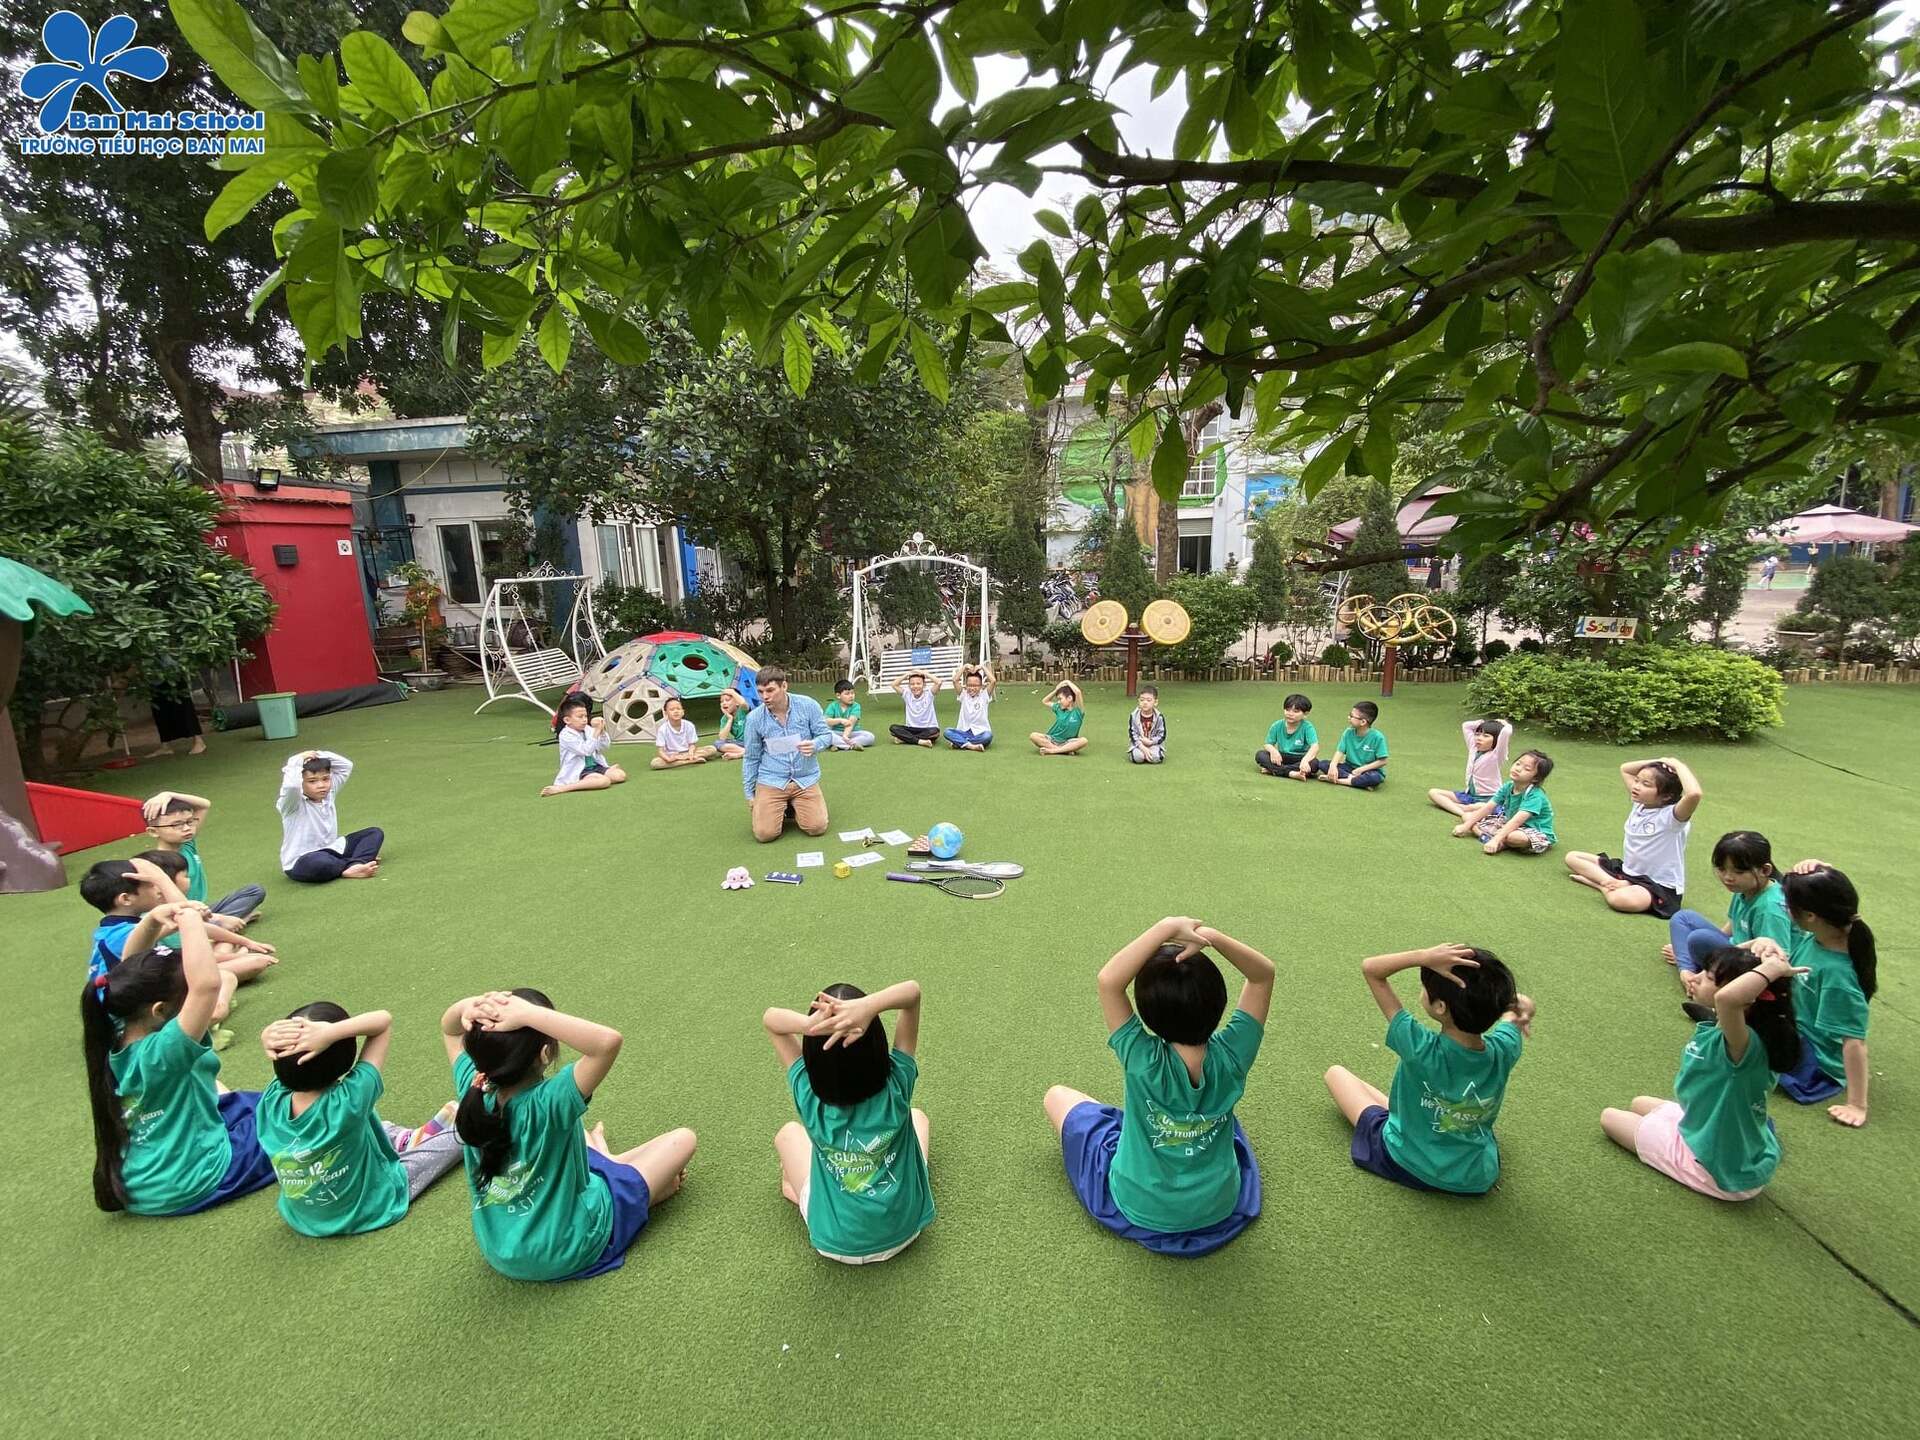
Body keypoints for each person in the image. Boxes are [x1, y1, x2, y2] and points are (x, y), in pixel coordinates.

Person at [1042, 917, 1272, 1256]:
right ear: (1219, 1000)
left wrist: (1165, 927)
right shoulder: (1236, 1054)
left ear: (1148, 1014)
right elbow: (1263, 975)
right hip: (1218, 1204)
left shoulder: (1142, 1059)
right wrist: (1211, 937)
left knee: (1057, 1096)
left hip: (1141, 1203)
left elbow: (1109, 981)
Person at [443, 988, 697, 1281]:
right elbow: (607, 1042)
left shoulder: (473, 1088)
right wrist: (528, 1014)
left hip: (501, 1251)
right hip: (569, 1247)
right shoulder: (551, 1102)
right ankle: (621, 1176)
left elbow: (450, 1029)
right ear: (545, 1053)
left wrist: (474, 1005)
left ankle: (609, 1162)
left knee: (578, 1136)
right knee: (684, 1139)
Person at [80, 907, 276, 1215]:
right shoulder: (166, 1049)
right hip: (194, 1179)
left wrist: (152, 921)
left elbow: (132, 968)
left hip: (138, 1186)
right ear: (159, 1010)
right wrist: (190, 920)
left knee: (252, 1103)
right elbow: (206, 986)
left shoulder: (113, 1030)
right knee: (297, 1115)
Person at [1324, 945, 1532, 1195]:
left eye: (1424, 986)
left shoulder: (1419, 1046)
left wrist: (1423, 957)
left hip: (1407, 1162)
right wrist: (1513, 1008)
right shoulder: (1505, 1048)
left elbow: (1371, 969)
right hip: (1474, 1176)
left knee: (1335, 1073)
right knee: (1431, 1109)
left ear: (1440, 1006)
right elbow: (1523, 1005)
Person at [1602, 944, 1801, 1201]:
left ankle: (1689, 1156)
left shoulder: (1743, 1044)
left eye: (1707, 977)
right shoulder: (1739, 1030)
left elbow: (1726, 999)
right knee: (1639, 1102)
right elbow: (1729, 979)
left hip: (1717, 1170)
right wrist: (1757, 944)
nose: (1694, 978)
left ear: (1745, 998)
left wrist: (1774, 966)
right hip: (1716, 1136)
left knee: (1609, 1117)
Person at [762, 981, 934, 1265]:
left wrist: (809, 1025)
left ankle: (799, 1192)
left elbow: (771, 1019)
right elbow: (912, 992)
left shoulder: (807, 1094)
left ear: (812, 1055)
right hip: (906, 1229)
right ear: (877, 1045)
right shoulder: (897, 1087)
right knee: (918, 1118)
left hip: (836, 1242)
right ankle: (800, 1191)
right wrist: (869, 1006)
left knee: (788, 1134)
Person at [255, 1003, 463, 1236]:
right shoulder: (348, 1101)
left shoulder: (270, 1100)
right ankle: (433, 1136)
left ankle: (404, 1140)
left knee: (362, 1126)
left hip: (305, 1219)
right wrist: (330, 1033)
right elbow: (382, 1021)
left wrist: (269, 1035)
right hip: (369, 1208)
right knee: (463, 1135)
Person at [1759, 862, 1876, 1127]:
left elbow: (1854, 1042)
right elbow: (1833, 895)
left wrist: (1857, 1105)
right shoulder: (1820, 935)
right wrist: (1820, 869)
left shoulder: (1838, 976)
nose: (1783, 907)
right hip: (1793, 1026)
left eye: (1788, 904)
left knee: (1742, 1040)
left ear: (1811, 915)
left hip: (1815, 1062)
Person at [81, 855, 275, 988]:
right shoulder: (123, 934)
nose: (158, 890)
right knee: (248, 966)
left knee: (234, 954)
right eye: (151, 885)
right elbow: (192, 918)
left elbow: (201, 927)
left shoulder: (123, 926)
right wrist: (162, 878)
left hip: (158, 977)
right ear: (125, 899)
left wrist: (246, 942)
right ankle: (215, 1012)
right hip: (140, 1001)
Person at [1665, 832, 1794, 1016]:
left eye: (1738, 872)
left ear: (1765, 870)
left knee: (1698, 939)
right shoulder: (1743, 889)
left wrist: (1703, 950)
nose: (1728, 877)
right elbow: (1732, 926)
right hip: (1734, 952)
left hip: (1749, 967)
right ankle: (1687, 972)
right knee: (1683, 918)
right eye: (1721, 869)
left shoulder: (1770, 908)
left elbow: (1776, 960)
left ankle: (1705, 983)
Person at [1565, 756, 1702, 917]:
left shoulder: (1672, 818)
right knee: (1572, 857)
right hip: (1627, 872)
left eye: (1646, 784)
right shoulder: (1640, 803)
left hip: (1657, 885)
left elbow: (1694, 794)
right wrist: (1660, 761)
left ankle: (1601, 885)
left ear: (1666, 796)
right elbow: (1625, 768)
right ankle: (1613, 882)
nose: (1636, 786)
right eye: (1637, 781)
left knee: (1619, 900)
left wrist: (1677, 764)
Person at [140, 789, 264, 927]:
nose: (186, 828)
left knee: (255, 891)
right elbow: (164, 908)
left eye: (189, 821)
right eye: (176, 825)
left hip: (201, 909)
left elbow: (204, 805)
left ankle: (221, 922)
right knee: (194, 922)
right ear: (153, 832)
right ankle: (224, 924)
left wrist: (169, 794)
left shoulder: (187, 844)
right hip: (179, 915)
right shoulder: (156, 864)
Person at [741, 666, 832, 842]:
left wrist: (815, 745)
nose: (765, 697)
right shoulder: (754, 718)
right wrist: (750, 794)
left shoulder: (808, 705)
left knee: (817, 827)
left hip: (805, 779)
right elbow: (751, 757)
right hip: (771, 779)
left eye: (770, 690)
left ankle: (792, 807)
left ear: (784, 686)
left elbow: (826, 735)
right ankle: (780, 807)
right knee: (764, 835)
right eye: (760, 692)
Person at [278, 750, 383, 883]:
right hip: (301, 861)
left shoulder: (329, 794)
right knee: (319, 863)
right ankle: (351, 865)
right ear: (301, 783)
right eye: (312, 781)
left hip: (332, 849)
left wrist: (316, 754)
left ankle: (355, 863)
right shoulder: (292, 804)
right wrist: (298, 758)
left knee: (374, 833)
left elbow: (346, 766)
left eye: (325, 779)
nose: (321, 785)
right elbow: (291, 786)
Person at [1450, 750, 1557, 855]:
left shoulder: (1535, 796)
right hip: (1508, 823)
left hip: (1533, 830)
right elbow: (1488, 807)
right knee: (1468, 816)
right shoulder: (1508, 786)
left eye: (1527, 769)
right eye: (1518, 764)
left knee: (1514, 837)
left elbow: (1517, 821)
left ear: (1535, 779)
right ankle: (1489, 837)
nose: (1518, 769)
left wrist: (1495, 840)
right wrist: (1466, 826)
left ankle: (1499, 841)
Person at [544, 695, 628, 794]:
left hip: (596, 766)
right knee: (604, 782)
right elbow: (586, 751)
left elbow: (603, 747)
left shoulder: (588, 729)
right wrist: (597, 731)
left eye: (585, 716)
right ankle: (563, 788)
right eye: (580, 717)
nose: (584, 720)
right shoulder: (565, 735)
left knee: (620, 776)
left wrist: (602, 731)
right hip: (581, 770)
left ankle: (597, 777)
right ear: (567, 720)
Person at [1428, 717, 1511, 816]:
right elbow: (1466, 726)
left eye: (1486, 736)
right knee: (1433, 793)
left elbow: (1506, 732)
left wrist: (1504, 724)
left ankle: (1460, 807)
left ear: (1497, 739)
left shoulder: (1497, 754)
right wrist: (1483, 722)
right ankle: (1462, 812)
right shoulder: (1473, 748)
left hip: (1489, 798)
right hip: (1469, 795)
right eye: (1477, 734)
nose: (1479, 738)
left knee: (1482, 806)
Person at [1310, 700, 1388, 788]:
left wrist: (1360, 770)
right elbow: (1340, 751)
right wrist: (1333, 766)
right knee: (1323, 764)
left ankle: (1339, 781)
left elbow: (1383, 761)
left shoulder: (1377, 737)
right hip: (1349, 768)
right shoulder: (1348, 732)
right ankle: (1356, 781)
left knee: (1374, 778)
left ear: (1363, 722)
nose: (1348, 717)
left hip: (1369, 770)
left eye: (1351, 716)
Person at [1254, 693, 1317, 779]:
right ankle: (1291, 773)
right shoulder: (1277, 725)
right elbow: (1268, 744)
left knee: (1314, 763)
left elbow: (1315, 747)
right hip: (1281, 756)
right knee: (1260, 755)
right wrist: (1273, 751)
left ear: (1305, 714)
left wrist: (1305, 760)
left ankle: (1274, 770)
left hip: (1299, 757)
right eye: (1287, 710)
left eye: (1296, 711)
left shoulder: (1307, 727)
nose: (1290, 714)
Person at [650, 696, 713, 771]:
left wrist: (690, 753)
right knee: (655, 763)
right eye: (672, 709)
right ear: (666, 713)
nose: (676, 711)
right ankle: (689, 761)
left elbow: (692, 744)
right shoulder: (663, 729)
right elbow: (661, 750)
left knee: (712, 749)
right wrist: (668, 759)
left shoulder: (689, 725)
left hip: (688, 752)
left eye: (678, 709)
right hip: (672, 755)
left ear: (683, 712)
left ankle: (685, 760)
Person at [943, 665, 996, 750]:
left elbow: (993, 681)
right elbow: (954, 680)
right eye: (969, 685)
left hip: (979, 732)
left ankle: (960, 743)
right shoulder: (963, 695)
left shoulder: (984, 696)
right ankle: (971, 746)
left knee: (988, 736)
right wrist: (964, 667)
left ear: (981, 686)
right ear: (966, 685)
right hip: (963, 731)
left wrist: (982, 667)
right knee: (947, 731)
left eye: (975, 686)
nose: (972, 688)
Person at [1029, 680, 1087, 756]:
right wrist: (1056, 690)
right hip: (1052, 740)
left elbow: (1078, 692)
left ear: (1069, 698)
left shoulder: (1078, 711)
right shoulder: (1058, 708)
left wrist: (1067, 682)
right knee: (1033, 736)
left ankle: (1053, 751)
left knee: (1084, 741)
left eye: (1060, 699)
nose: (1059, 702)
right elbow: (1045, 701)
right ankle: (1064, 750)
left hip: (1068, 742)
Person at [888, 669, 941, 746]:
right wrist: (907, 674)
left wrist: (924, 673)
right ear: (909, 686)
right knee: (893, 728)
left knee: (935, 732)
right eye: (912, 684)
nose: (915, 686)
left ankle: (905, 739)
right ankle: (920, 741)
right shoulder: (907, 694)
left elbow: (939, 682)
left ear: (924, 685)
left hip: (928, 729)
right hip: (911, 729)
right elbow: (894, 685)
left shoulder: (929, 694)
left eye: (918, 683)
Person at [823, 678, 875, 751]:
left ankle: (838, 744)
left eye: (852, 693)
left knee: (870, 737)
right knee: (824, 734)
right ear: (838, 695)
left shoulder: (856, 706)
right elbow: (826, 721)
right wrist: (840, 720)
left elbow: (851, 723)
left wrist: (845, 736)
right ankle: (850, 745)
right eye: (847, 694)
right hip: (836, 733)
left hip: (852, 733)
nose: (851, 696)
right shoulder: (832, 706)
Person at [1128, 685, 1166, 764]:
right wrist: (1142, 747)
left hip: (1153, 744)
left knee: (1156, 757)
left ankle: (1149, 754)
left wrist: (1151, 742)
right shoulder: (1134, 716)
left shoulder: (1159, 717)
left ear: (1155, 702)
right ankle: (1141, 755)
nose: (1145, 703)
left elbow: (1162, 735)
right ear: (1138, 701)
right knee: (1138, 757)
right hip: (1139, 744)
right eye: (1142, 700)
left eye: (1148, 700)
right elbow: (1132, 734)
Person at [712, 688, 750, 759]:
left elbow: (743, 703)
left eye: (727, 700)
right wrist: (730, 719)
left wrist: (732, 692)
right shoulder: (724, 718)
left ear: (737, 703)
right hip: (739, 742)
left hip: (752, 740)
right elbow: (722, 737)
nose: (724, 703)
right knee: (717, 743)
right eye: (721, 701)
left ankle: (744, 753)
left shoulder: (743, 710)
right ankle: (745, 752)